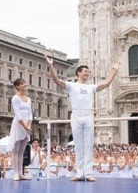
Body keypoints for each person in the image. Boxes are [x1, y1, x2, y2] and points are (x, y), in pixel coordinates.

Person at [44, 54, 120, 182]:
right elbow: (56, 80)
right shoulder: (71, 85)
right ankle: (79, 173)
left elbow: (106, 84)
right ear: (78, 73)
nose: (87, 73)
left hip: (88, 114)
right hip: (76, 115)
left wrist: (114, 70)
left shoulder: (91, 87)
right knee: (78, 145)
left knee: (88, 144)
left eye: (88, 72)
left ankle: (89, 173)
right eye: (85, 71)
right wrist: (51, 66)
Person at [7, 78, 33, 181]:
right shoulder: (15, 98)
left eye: (24, 83)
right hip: (19, 124)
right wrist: (25, 126)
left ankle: (21, 173)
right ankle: (16, 173)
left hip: (27, 124)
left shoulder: (28, 99)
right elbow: (17, 114)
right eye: (22, 84)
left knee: (22, 150)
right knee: (16, 150)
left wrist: (29, 125)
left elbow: (30, 113)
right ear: (17, 86)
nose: (24, 85)